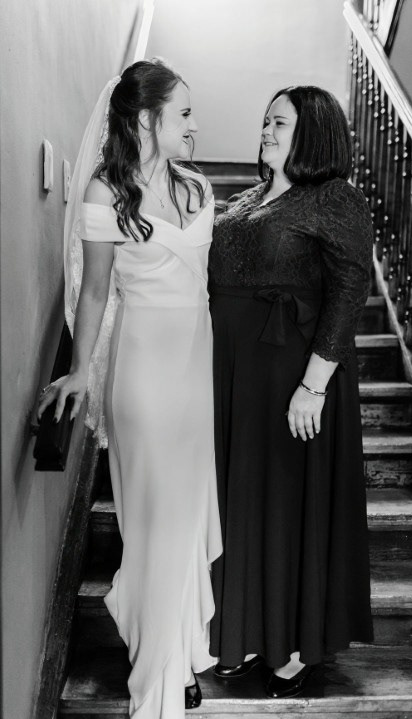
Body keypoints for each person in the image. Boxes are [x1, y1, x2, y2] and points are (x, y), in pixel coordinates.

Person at [38, 58, 222, 718]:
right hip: (143, 372)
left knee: (185, 517)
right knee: (156, 522)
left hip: (196, 370)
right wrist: (80, 369)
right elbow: (93, 292)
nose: (194, 126)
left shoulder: (198, 187)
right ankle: (160, 678)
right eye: (184, 114)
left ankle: (177, 647)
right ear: (146, 119)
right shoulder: (103, 194)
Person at [208, 85, 374, 699]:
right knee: (244, 501)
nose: (265, 130)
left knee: (286, 507)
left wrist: (314, 385)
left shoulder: (335, 197)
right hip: (238, 376)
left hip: (294, 377)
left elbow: (349, 290)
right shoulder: (245, 199)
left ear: (314, 132)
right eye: (265, 121)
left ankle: (295, 647)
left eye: (279, 122)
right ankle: (247, 634)